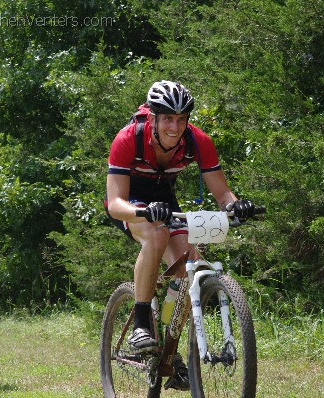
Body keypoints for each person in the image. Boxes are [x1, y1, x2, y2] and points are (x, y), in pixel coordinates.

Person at [104, 80, 255, 390]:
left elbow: (222, 193)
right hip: (131, 203)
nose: (175, 126)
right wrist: (142, 213)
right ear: (153, 117)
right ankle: (143, 322)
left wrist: (237, 206)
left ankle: (171, 352)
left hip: (165, 202)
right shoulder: (128, 139)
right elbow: (116, 203)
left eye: (181, 119)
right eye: (168, 119)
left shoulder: (197, 141)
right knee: (157, 235)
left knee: (190, 259)